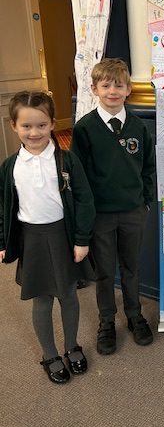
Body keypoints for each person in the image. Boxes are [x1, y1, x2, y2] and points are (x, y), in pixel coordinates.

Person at [0, 91, 95, 384]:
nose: (34, 132)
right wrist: (3, 242)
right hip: (31, 239)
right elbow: (3, 208)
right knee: (41, 300)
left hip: (62, 235)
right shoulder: (10, 166)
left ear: (52, 123)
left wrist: (82, 240)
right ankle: (50, 354)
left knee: (68, 295)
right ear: (14, 126)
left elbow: (85, 201)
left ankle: (71, 346)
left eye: (41, 125)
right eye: (26, 126)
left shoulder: (67, 161)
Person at [71, 58, 156, 355]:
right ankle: (106, 321)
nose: (112, 91)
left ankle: (134, 315)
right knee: (106, 271)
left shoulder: (137, 127)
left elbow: (148, 167)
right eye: (106, 85)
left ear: (128, 89)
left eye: (119, 85)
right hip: (101, 216)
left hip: (133, 212)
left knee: (131, 267)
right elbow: (78, 177)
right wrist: (86, 213)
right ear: (94, 89)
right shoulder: (85, 129)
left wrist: (145, 201)